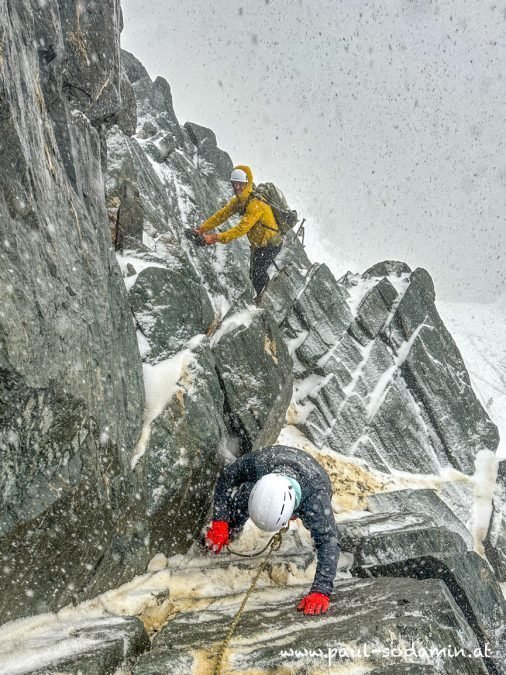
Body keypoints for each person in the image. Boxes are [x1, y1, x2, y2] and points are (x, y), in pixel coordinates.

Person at [205, 445, 340, 615]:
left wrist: (321, 590)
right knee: (242, 499)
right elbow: (227, 476)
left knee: (324, 534)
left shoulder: (316, 500)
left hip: (312, 478)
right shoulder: (257, 464)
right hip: (273, 461)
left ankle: (228, 530)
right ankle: (228, 532)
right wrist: (220, 521)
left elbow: (329, 541)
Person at [194, 165, 282, 297]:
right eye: (234, 184)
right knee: (254, 275)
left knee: (258, 274)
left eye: (240, 184)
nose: (237, 187)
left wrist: (213, 238)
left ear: (247, 183)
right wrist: (201, 229)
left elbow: (241, 229)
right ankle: (265, 299)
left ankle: (269, 301)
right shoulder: (240, 201)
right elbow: (221, 216)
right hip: (259, 245)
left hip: (270, 243)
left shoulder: (256, 203)